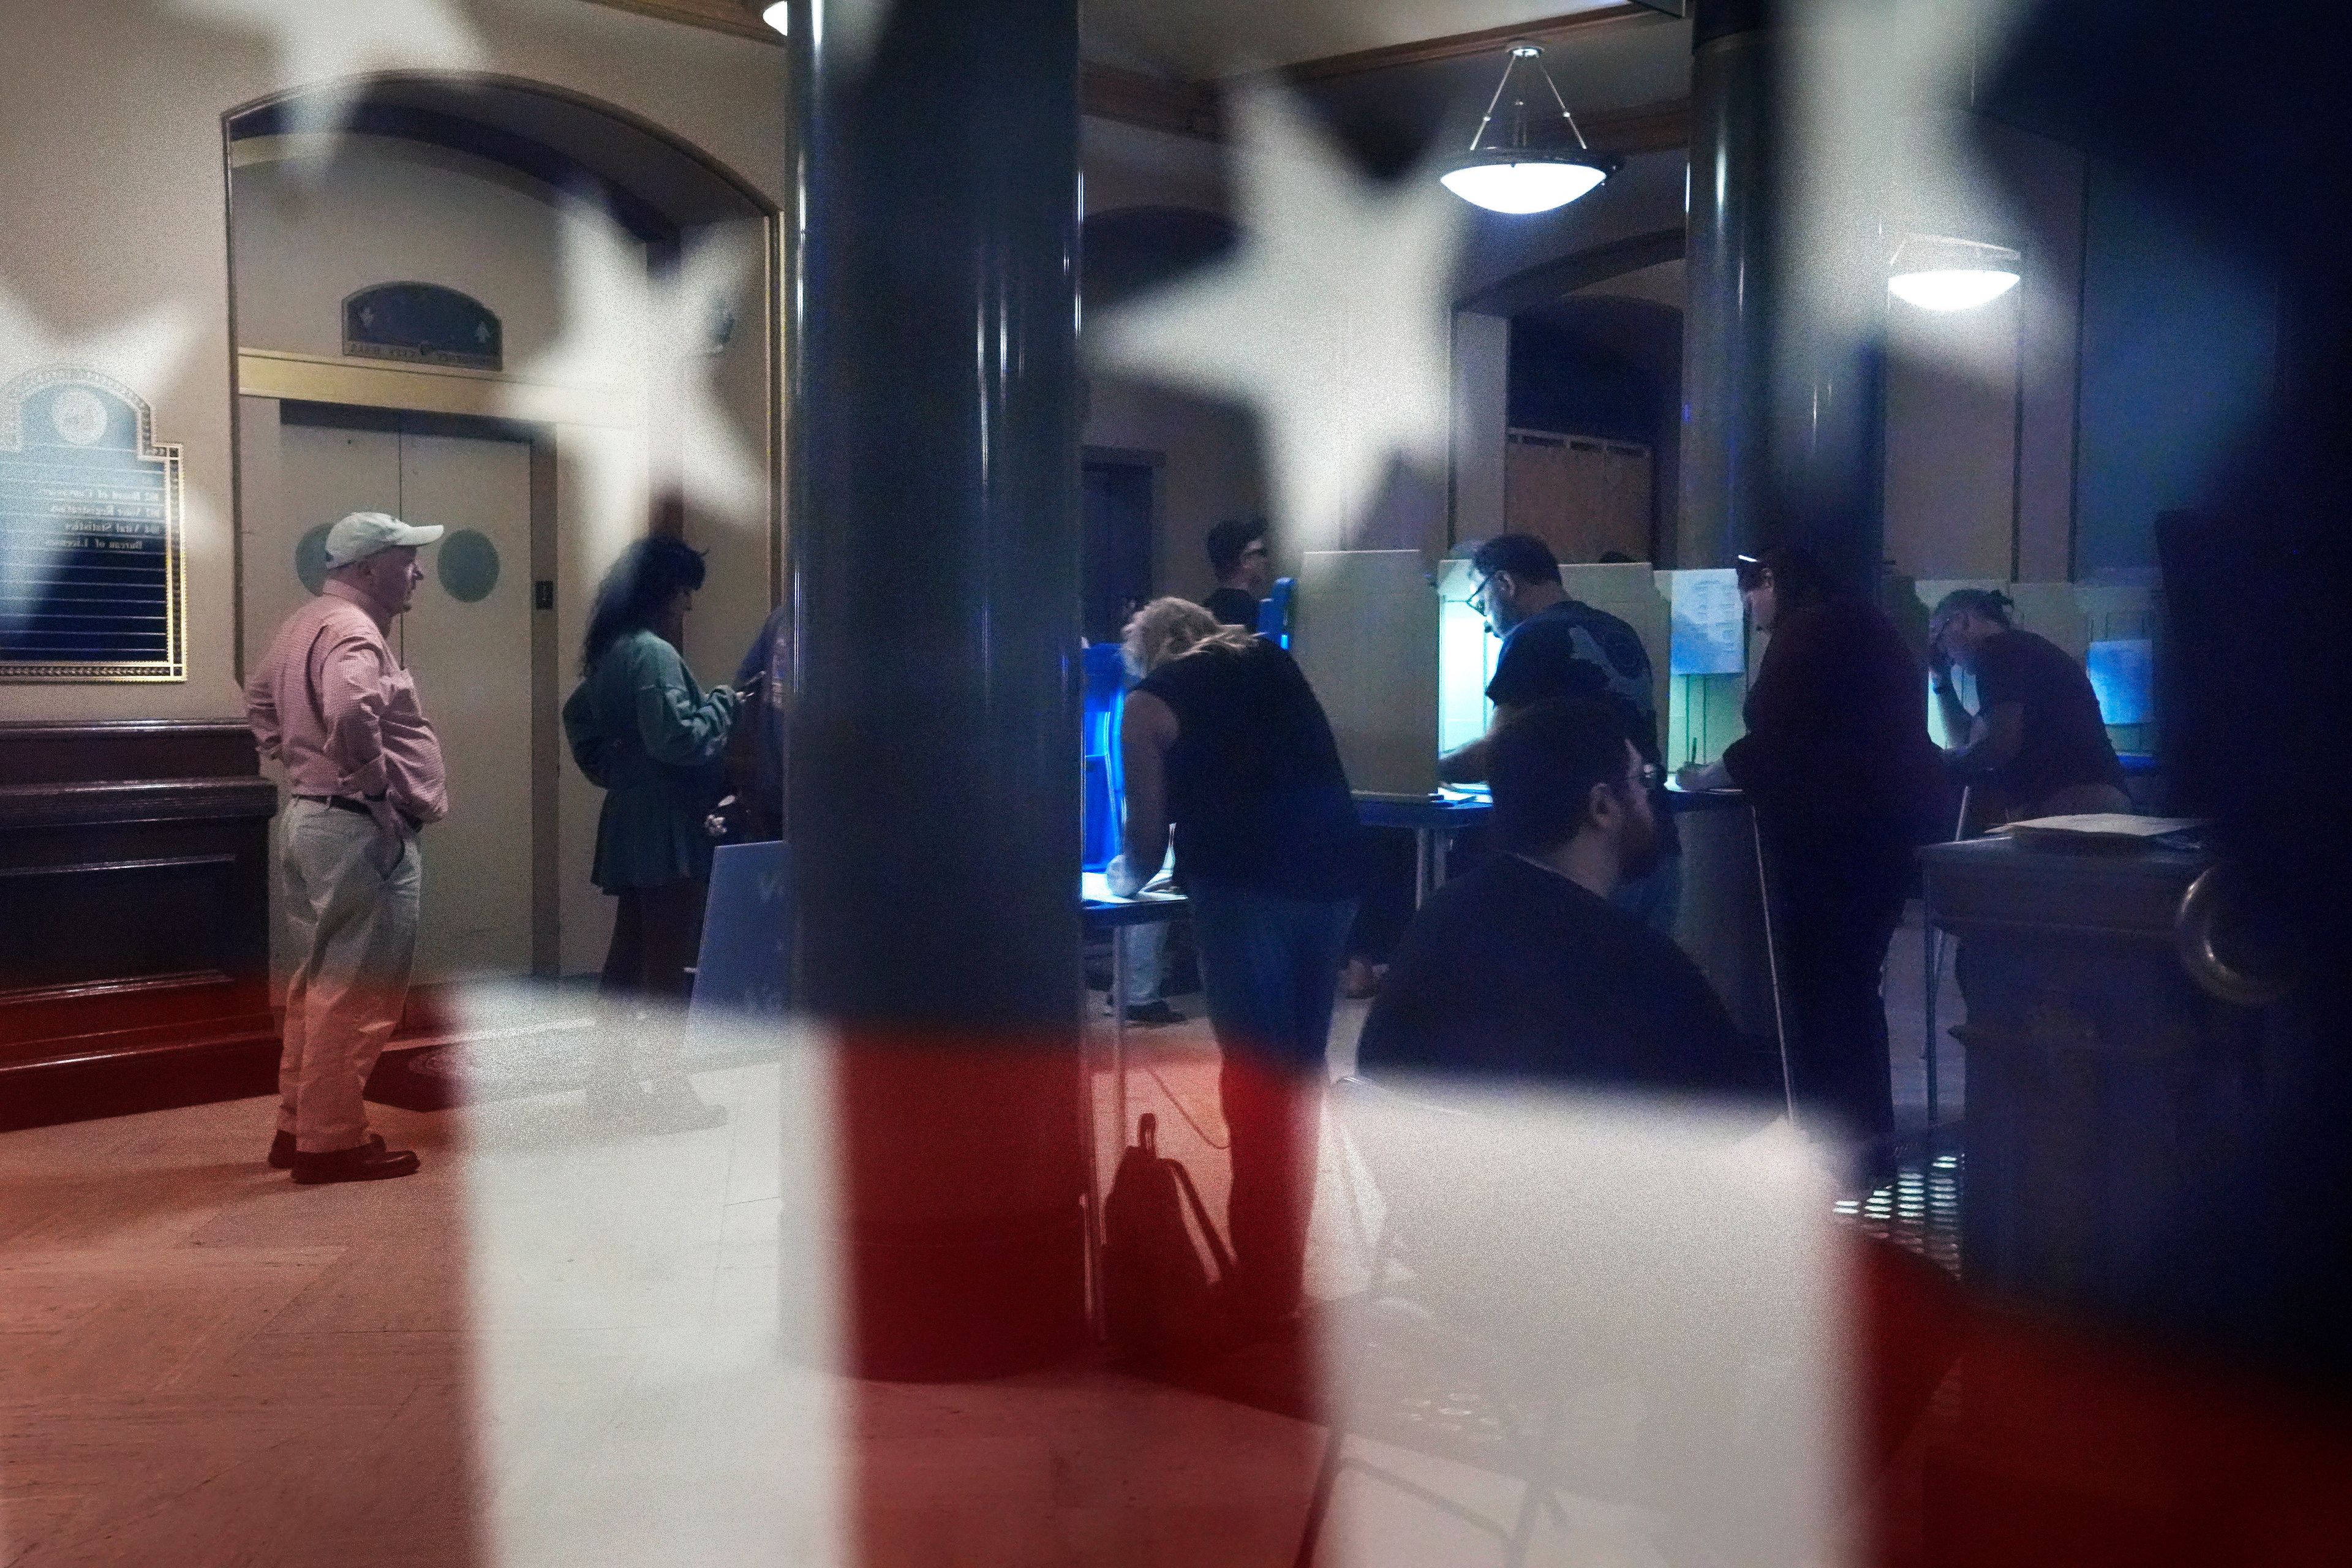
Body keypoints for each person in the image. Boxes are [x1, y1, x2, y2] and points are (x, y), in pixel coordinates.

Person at [1110, 597, 1362, 1330]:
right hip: (1335, 874)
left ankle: (1261, 1279)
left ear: (1150, 649)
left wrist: (1123, 875)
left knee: (1255, 1079)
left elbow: (1147, 845)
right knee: (1299, 1072)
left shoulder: (1147, 703)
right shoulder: (1273, 661)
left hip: (1244, 884)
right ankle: (1283, 1267)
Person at [1676, 546, 1948, 1175]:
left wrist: (1707, 776)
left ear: (1772, 578)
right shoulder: (1857, 620)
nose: (1749, 606)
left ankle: (1847, 1143)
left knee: (1831, 990)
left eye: (1751, 591)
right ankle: (1864, 1137)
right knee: (1851, 987)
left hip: (1841, 838)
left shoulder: (1812, 632)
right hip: (1882, 829)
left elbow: (1775, 740)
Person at [1360, 698, 1771, 1102]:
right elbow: (1735, 1105)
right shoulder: (1638, 965)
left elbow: (1377, 1073)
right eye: (1642, 781)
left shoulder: (1437, 918)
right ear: (1602, 807)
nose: (1650, 798)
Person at [245, 511, 448, 1185]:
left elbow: (257, 699)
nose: (417, 570)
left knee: (319, 984)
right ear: (366, 569)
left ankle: (298, 1123)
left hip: (310, 818)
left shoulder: (303, 622)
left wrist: (300, 765)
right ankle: (331, 1142)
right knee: (356, 993)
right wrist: (374, 791)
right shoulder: (356, 631)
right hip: (358, 827)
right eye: (405, 558)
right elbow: (350, 708)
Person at [564, 535, 737, 1128]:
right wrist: (723, 705)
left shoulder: (609, 652)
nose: (688, 606)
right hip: (667, 819)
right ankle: (665, 1093)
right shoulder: (653, 654)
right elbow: (678, 738)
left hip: (629, 813)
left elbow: (580, 723)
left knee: (626, 956)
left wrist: (622, 773)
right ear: (666, 590)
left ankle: (607, 1088)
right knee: (667, 960)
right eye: (686, 593)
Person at [1437, 533, 1681, 935]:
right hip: (1654, 843)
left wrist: (1427, 769)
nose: (1485, 622)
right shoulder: (1619, 631)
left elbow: (1496, 753)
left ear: (1505, 585)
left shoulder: (1531, 638)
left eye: (1480, 602)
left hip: (1585, 856)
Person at [1928, 588, 2130, 821]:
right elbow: (1969, 741)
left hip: (2075, 808)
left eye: (1938, 632)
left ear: (1963, 622)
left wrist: (1938, 762)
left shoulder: (2000, 650)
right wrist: (1941, 679)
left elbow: (1999, 745)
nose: (1939, 648)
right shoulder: (2020, 651)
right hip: (2091, 806)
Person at [1201, 518, 1273, 630]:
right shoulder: (1258, 616)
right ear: (1244, 561)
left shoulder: (1203, 614)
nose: (1265, 560)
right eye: (1261, 553)